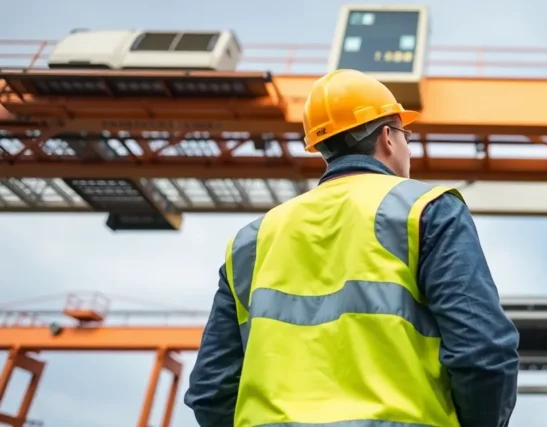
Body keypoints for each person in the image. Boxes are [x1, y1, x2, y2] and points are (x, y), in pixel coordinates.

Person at [183, 69, 520, 427]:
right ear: (389, 137)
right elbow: (483, 352)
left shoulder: (252, 240)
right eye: (407, 135)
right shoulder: (425, 210)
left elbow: (210, 388)